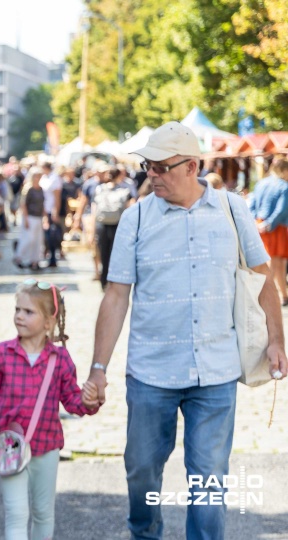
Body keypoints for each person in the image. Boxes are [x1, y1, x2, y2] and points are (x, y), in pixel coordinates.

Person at [87, 122, 288, 539]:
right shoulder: (135, 219)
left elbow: (263, 279)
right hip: (151, 373)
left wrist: (276, 341)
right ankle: (145, 532)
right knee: (141, 471)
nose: (152, 175)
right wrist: (98, 367)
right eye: (148, 166)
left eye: (161, 167)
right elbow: (115, 296)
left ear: (192, 166)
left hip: (215, 373)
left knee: (209, 481)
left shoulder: (233, 211)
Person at [0, 279, 99, 540]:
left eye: (28, 311)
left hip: (47, 447)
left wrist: (89, 402)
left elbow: (72, 402)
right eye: (17, 309)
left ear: (48, 322)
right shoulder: (2, 353)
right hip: (10, 447)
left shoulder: (60, 359)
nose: (19, 316)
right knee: (16, 513)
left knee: (44, 513)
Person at [248, 157, 288, 305]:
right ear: (284, 171)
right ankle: (273, 296)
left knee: (265, 261)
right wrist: (269, 224)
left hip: (259, 224)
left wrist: (255, 222)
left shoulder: (260, 183)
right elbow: (281, 209)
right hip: (275, 227)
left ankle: (280, 295)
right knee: (276, 263)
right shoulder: (284, 186)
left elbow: (251, 205)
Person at [91, 163, 134, 289]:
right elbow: (129, 208)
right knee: (115, 254)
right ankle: (112, 280)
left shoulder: (99, 189)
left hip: (102, 224)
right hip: (117, 225)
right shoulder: (124, 190)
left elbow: (95, 210)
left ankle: (103, 280)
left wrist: (92, 230)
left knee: (103, 253)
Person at [14, 172, 45, 271]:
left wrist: (44, 217)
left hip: (38, 217)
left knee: (37, 240)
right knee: (28, 239)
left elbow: (42, 204)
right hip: (30, 217)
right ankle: (19, 257)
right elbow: (23, 205)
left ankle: (34, 261)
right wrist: (26, 218)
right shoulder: (28, 189)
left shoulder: (40, 189)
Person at [40, 163, 63, 267]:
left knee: (52, 236)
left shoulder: (55, 178)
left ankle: (53, 258)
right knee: (46, 236)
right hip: (43, 210)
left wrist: (55, 212)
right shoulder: (44, 177)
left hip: (50, 210)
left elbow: (57, 197)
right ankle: (47, 255)